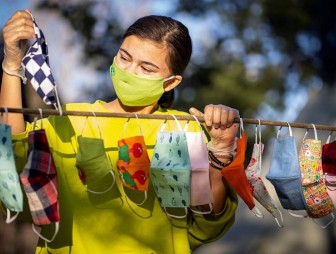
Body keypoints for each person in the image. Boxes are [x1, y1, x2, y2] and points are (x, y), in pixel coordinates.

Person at [0, 10, 240, 254]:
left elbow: (207, 222)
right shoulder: (70, 120)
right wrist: (11, 64)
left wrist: (218, 158)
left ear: (170, 82)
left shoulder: (182, 128)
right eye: (124, 58)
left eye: (146, 68)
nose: (129, 71)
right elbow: (11, 154)